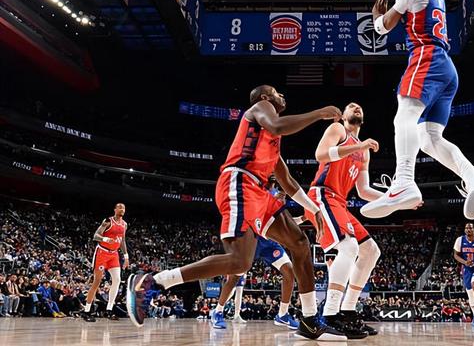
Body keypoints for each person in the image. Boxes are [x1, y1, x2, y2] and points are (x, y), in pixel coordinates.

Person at [127, 85, 347, 341]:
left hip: (260, 192)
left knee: (299, 243)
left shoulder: (271, 142)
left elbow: (286, 181)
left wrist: (313, 208)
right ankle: (154, 281)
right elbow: (277, 126)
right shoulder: (261, 109)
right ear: (265, 97)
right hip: (240, 182)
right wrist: (319, 113)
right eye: (276, 92)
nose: (281, 96)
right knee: (240, 262)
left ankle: (309, 321)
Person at [361, 0, 474, 221]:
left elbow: (384, 28)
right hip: (446, 68)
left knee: (404, 118)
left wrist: (375, 17)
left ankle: (404, 181)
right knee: (429, 138)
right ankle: (473, 176)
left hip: (426, 59)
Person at [303, 102, 383, 338]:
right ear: (344, 116)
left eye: (359, 107)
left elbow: (364, 191)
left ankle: (347, 311)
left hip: (340, 202)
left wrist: (395, 199)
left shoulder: (364, 151)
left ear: (363, 118)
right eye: (351, 106)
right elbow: (320, 155)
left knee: (371, 251)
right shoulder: (338, 129)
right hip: (321, 195)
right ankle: (329, 314)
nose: (356, 107)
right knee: (348, 247)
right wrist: (359, 145)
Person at [210, 235, 298, 330]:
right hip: (250, 241)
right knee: (233, 280)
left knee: (289, 271)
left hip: (269, 242)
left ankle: (283, 314)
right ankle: (218, 311)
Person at [82, 203, 129, 322]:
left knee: (117, 280)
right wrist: (105, 239)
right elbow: (95, 236)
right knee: (96, 282)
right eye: (120, 207)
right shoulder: (108, 221)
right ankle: (86, 311)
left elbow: (122, 240)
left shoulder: (124, 224)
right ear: (115, 209)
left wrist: (126, 256)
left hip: (114, 254)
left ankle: (109, 309)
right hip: (102, 252)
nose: (122, 209)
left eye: (123, 208)